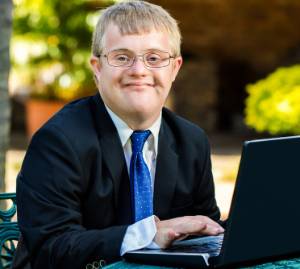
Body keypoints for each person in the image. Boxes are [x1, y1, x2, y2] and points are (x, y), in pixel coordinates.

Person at [12, 1, 224, 269]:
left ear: (175, 68)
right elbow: (51, 249)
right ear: (97, 67)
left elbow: (208, 233)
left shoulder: (192, 141)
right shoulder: (58, 141)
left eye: (154, 58)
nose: (139, 70)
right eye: (122, 57)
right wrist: (148, 235)